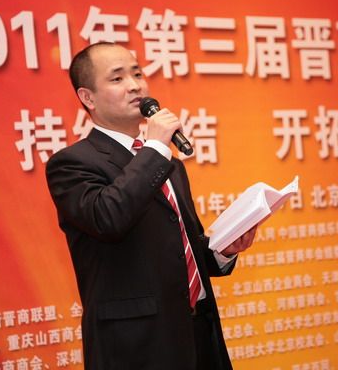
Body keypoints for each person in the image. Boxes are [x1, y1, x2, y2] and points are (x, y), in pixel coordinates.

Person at [45, 41, 256, 370]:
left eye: (138, 74)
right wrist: (155, 147)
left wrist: (222, 251)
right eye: (117, 78)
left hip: (197, 334)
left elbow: (181, 250)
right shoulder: (72, 164)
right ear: (88, 98)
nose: (135, 86)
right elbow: (108, 218)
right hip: (136, 346)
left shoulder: (169, 164)